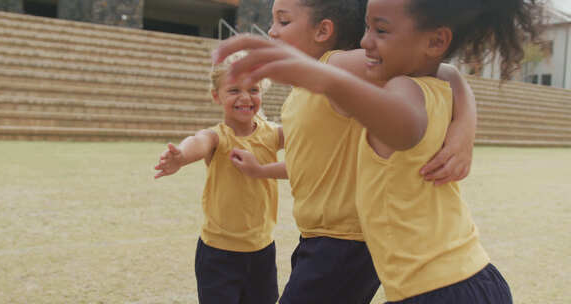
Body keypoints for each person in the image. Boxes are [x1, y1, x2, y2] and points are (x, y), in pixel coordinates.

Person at [212, 0, 541, 302]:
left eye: (380, 30)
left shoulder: (376, 81)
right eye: (368, 27)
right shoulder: (415, 85)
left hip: (434, 283)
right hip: (449, 279)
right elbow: (314, 159)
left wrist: (325, 77)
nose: (366, 42)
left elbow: (406, 125)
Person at [153, 52, 284, 304]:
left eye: (253, 89)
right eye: (234, 90)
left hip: (262, 252)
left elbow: (306, 139)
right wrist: (181, 156)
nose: (245, 98)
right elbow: (198, 141)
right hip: (218, 255)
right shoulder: (218, 136)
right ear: (216, 96)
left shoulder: (273, 134)